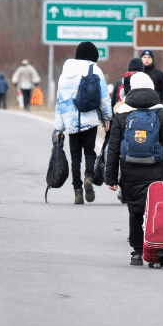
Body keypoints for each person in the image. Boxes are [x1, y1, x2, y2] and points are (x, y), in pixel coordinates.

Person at [105, 72, 163, 265]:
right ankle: (155, 249)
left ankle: (137, 253)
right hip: (158, 169)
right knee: (157, 209)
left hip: (130, 170)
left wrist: (111, 177)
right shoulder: (162, 113)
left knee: (135, 211)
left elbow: (113, 148)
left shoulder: (122, 113)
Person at [53, 42, 113, 205]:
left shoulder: (64, 73)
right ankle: (88, 177)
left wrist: (59, 127)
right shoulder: (95, 70)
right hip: (90, 118)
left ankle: (77, 191)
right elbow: (104, 97)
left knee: (75, 157)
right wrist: (108, 118)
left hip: (71, 122)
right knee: (89, 152)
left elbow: (60, 101)